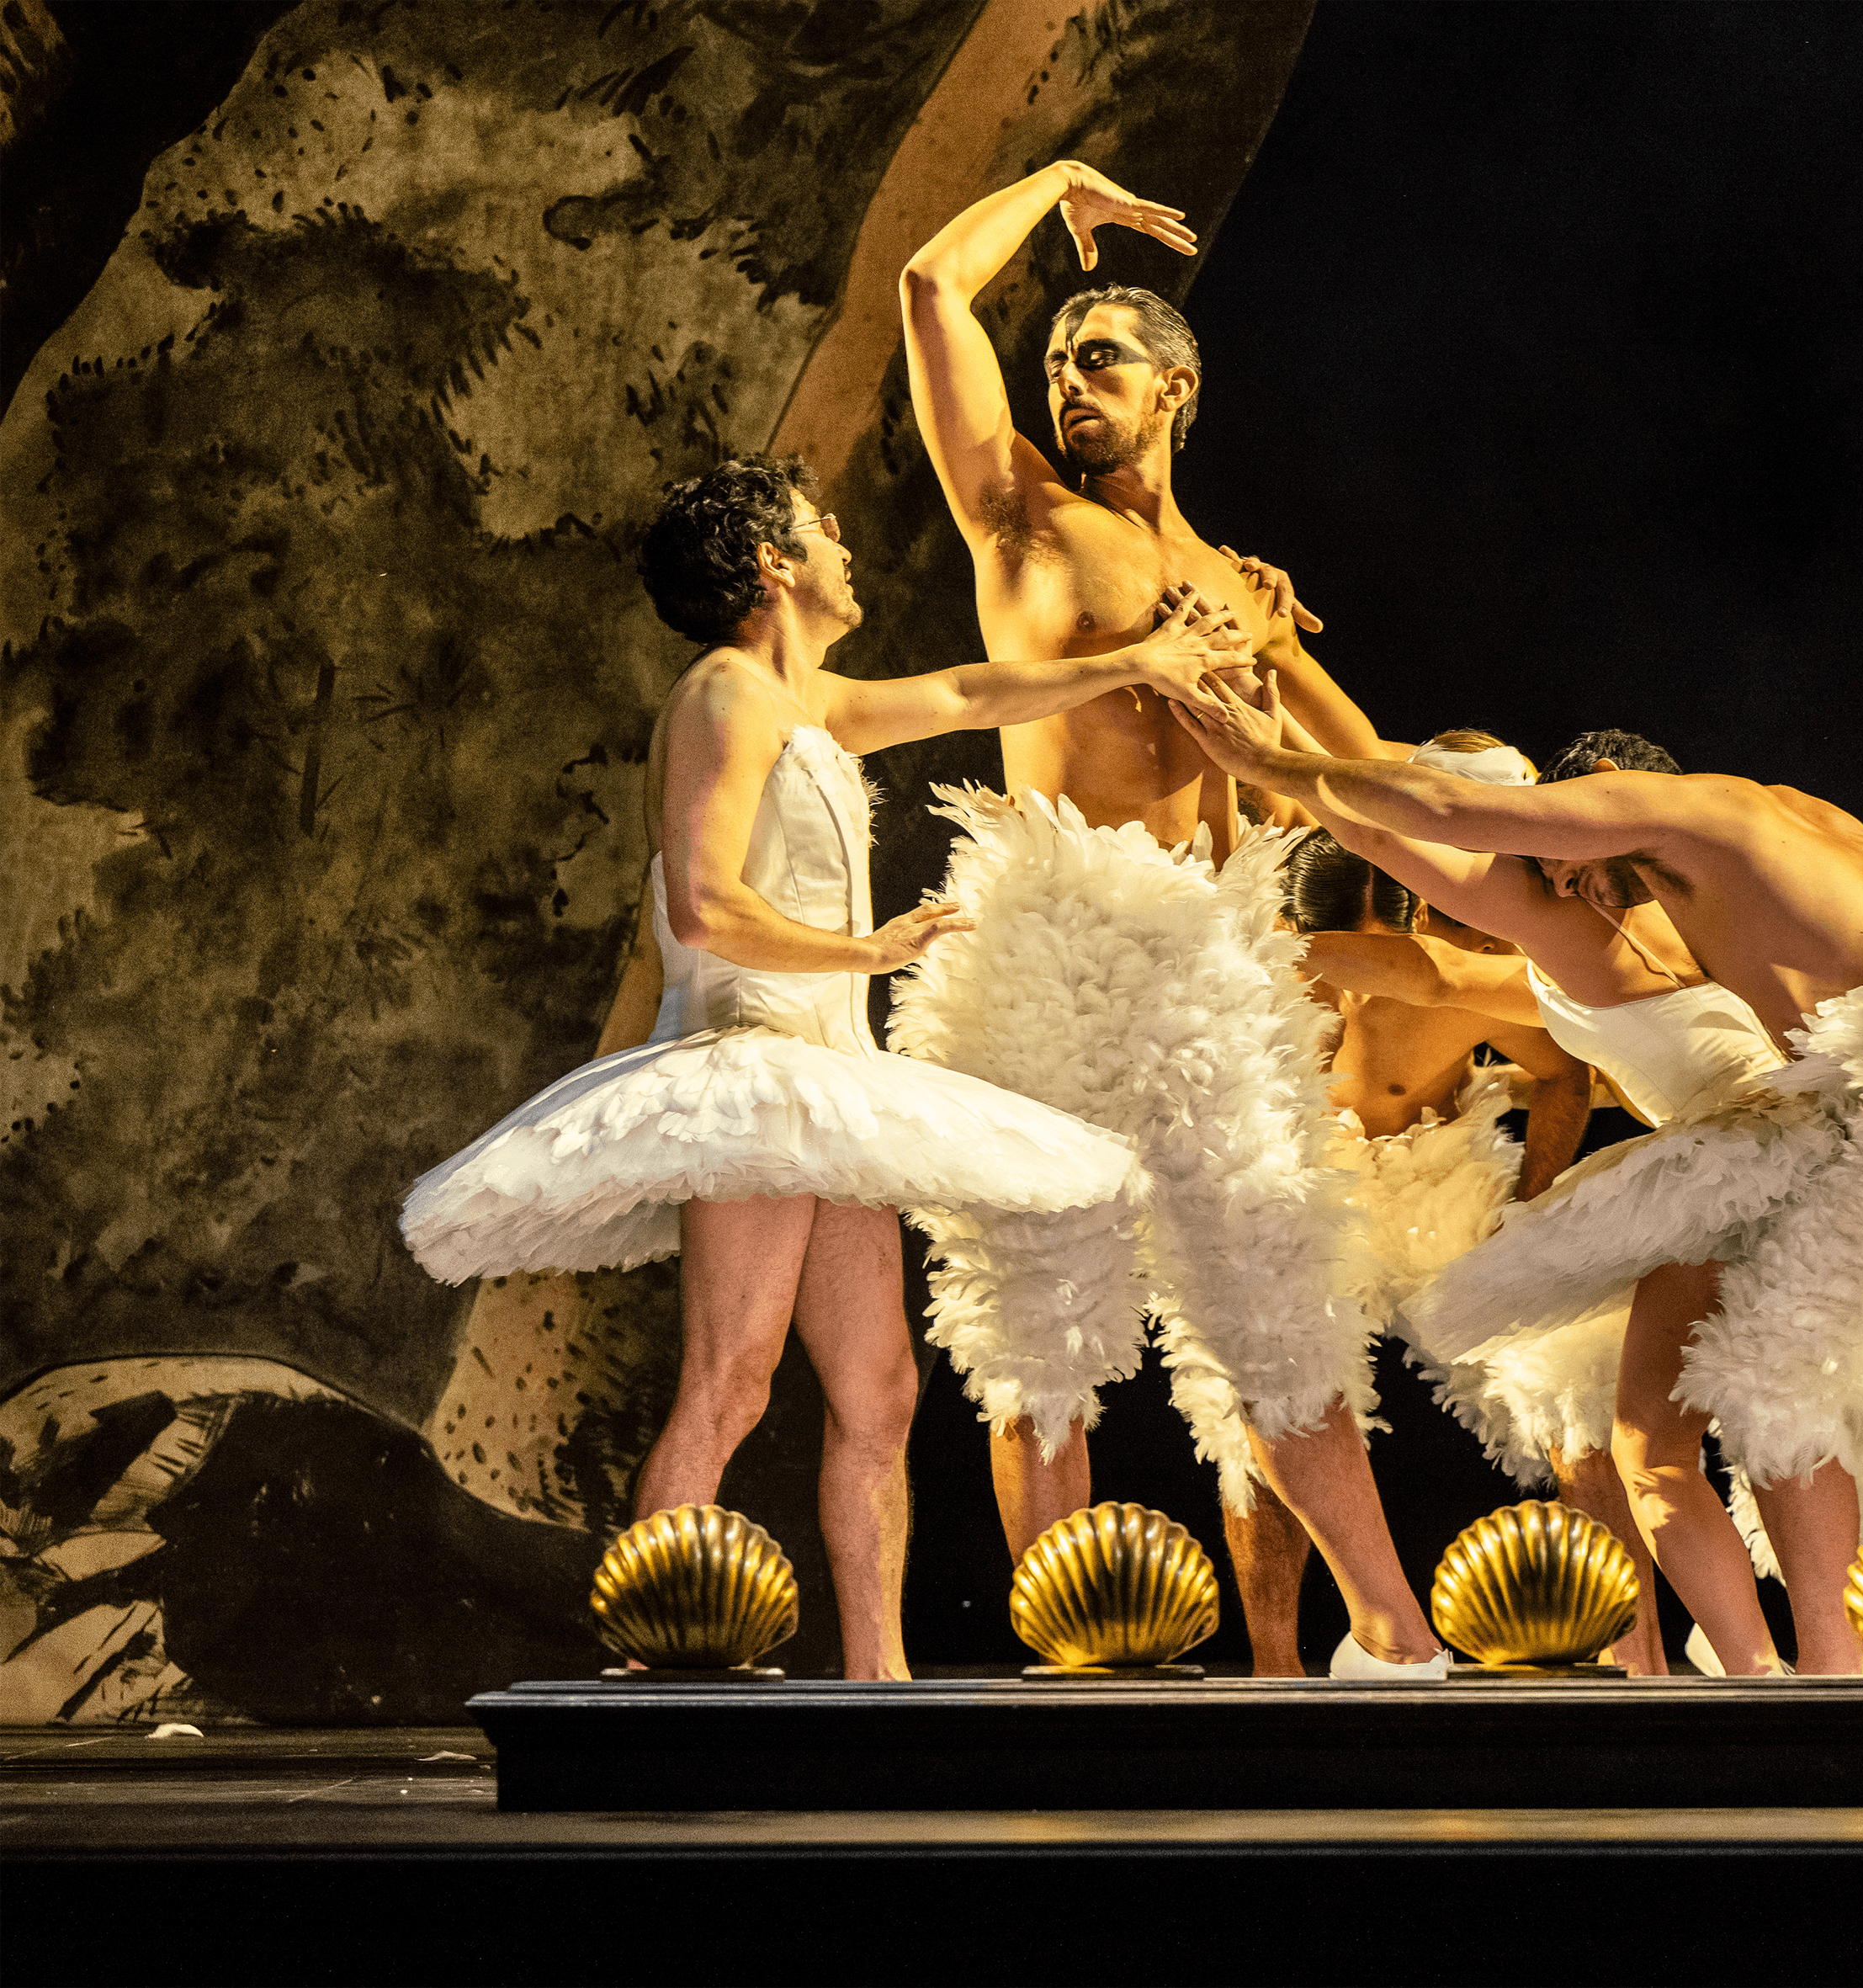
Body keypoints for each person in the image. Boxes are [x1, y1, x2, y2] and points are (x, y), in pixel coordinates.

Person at [1170, 682, 1863, 1677]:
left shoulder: (1559, 917)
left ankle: (1766, 1674)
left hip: (1734, 1169)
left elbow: (1408, 829)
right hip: (1838, 1147)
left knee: (1659, 1446)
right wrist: (1292, 715)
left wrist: (1266, 767)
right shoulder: (1680, 887)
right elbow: (1419, 865)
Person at [401, 455, 1223, 1677]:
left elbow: (962, 688)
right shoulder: (725, 697)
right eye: (817, 527)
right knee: (731, 1380)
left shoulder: (809, 701)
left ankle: (878, 1675)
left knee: (882, 1388)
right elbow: (706, 898)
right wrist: (867, 946)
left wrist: (1133, 662)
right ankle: (658, 1652)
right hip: (749, 1071)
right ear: (774, 564)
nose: (843, 537)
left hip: (829, 1078)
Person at [888, 161, 1445, 1677]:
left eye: (1101, 358)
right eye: (1059, 361)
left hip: (1208, 961)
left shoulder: (1227, 582)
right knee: (1036, 1324)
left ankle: (1393, 1639)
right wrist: (1057, 181)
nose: (1069, 381)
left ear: (1176, 386)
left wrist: (1524, 862)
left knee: (1277, 1304)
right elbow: (930, 290)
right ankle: (1066, 1648)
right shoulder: (1020, 516)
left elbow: (1362, 780)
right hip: (1056, 940)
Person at [1213, 818, 1596, 1674]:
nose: (1360, 981)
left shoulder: (1448, 974)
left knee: (1571, 1381)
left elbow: (1563, 1070)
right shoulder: (1248, 984)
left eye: (1375, 954)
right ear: (1293, 934)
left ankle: (1632, 1656)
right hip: (1310, 1179)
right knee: (1262, 1393)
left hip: (1438, 1168)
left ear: (1412, 922)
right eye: (1337, 956)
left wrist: (1530, 1203)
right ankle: (1277, 1667)